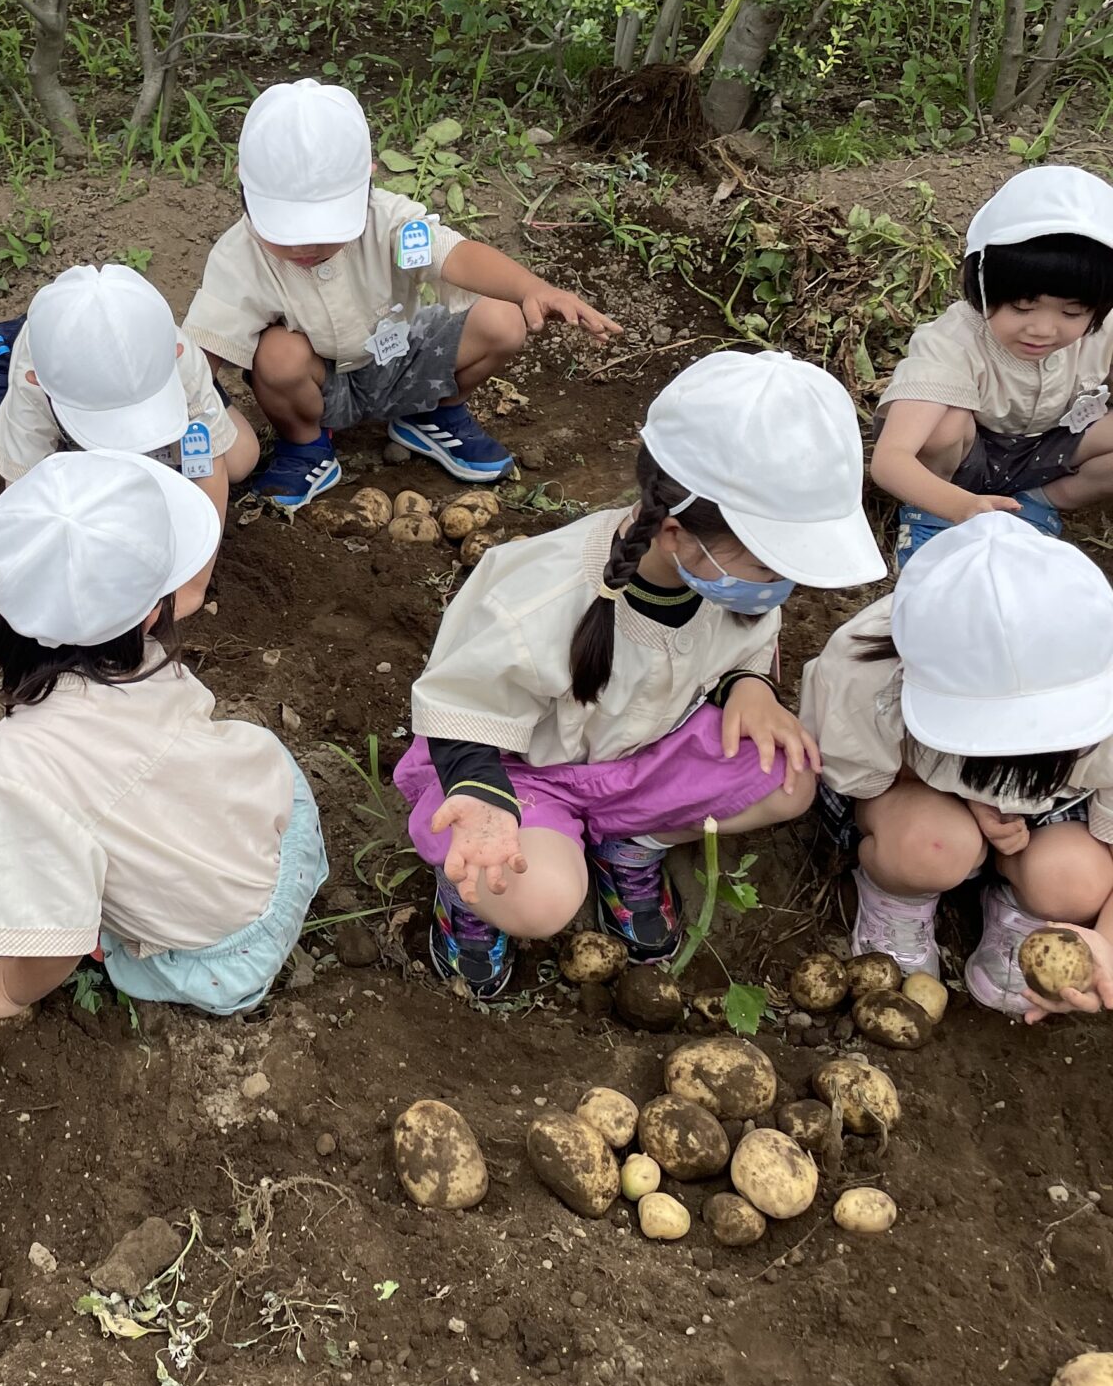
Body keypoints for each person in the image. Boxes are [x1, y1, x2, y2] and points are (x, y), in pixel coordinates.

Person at [394, 349, 885, 998]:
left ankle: (630, 843)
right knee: (539, 899)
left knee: (790, 773)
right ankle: (465, 902)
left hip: (640, 760)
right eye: (772, 568)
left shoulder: (726, 576)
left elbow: (746, 646)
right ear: (679, 532)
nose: (782, 588)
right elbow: (461, 707)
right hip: (525, 774)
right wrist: (485, 804)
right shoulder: (541, 598)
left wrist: (752, 688)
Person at [0, 450, 327, 1030]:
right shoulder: (147, 663)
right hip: (284, 825)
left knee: (47, 843)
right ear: (145, 618)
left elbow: (56, 942)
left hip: (225, 953)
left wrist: (7, 985)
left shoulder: (21, 759)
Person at [182, 79, 620, 510]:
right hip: (320, 381)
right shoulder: (238, 256)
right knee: (276, 355)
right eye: (286, 232)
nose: (304, 248)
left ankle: (432, 413)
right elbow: (208, 344)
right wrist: (180, 412)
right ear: (244, 188)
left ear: (367, 182)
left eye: (326, 230)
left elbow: (457, 257)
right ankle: (306, 445)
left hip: (400, 358)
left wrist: (533, 288)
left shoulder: (388, 220)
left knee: (504, 320)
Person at [800, 511, 1113, 1018]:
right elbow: (863, 775)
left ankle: (1024, 903)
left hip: (1054, 813)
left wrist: (1106, 944)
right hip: (913, 791)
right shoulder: (867, 669)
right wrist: (968, 797)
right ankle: (900, 894)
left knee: (1077, 879)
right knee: (932, 844)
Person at [0, 263, 260, 615]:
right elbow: (25, 493)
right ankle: (0, 352)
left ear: (175, 354)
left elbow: (208, 464)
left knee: (241, 458)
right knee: (12, 454)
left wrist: (191, 586)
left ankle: (176, 408)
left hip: (168, 376)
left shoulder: (177, 354)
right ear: (39, 381)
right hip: (35, 371)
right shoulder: (31, 382)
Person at [872, 164, 1113, 567]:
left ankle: (1037, 505)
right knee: (943, 425)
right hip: (967, 459)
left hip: (1048, 449)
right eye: (1022, 306)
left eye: (1072, 313)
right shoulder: (952, 343)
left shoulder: (1104, 327)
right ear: (978, 282)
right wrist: (961, 506)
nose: (1043, 329)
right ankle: (929, 513)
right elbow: (891, 458)